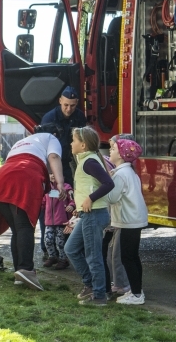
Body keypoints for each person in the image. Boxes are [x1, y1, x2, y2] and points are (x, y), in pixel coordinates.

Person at [0, 124, 66, 291]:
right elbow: (53, 157)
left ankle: (20, 272)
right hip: (24, 177)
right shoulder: (51, 138)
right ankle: (27, 270)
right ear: (54, 133)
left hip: (0, 179)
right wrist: (60, 183)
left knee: (17, 229)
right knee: (25, 227)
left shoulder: (22, 142)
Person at [64, 126, 114, 306]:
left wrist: (90, 199)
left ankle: (99, 296)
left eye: (74, 140)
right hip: (87, 214)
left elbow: (109, 183)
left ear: (83, 145)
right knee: (71, 248)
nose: (71, 143)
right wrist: (80, 206)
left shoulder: (89, 162)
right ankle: (90, 285)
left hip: (94, 215)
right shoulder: (86, 160)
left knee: (93, 257)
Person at [39, 85, 86, 260]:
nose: (68, 109)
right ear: (60, 101)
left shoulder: (79, 117)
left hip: (70, 165)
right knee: (50, 206)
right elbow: (44, 147)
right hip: (52, 165)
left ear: (77, 103)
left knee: (70, 204)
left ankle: (67, 248)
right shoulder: (49, 118)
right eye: (66, 105)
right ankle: (47, 248)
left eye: (72, 106)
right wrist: (49, 172)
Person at [105, 137, 148, 305]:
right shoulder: (129, 172)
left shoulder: (120, 175)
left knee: (127, 258)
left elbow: (111, 198)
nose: (110, 151)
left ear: (122, 155)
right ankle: (137, 290)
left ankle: (136, 295)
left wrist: (102, 186)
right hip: (135, 219)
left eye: (114, 149)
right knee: (133, 257)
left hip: (128, 220)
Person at [41, 173, 74, 270]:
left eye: (55, 173)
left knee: (60, 242)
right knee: (47, 240)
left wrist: (71, 205)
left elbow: (72, 199)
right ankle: (52, 257)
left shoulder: (66, 187)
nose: (52, 175)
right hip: (49, 221)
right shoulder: (47, 188)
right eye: (51, 173)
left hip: (61, 221)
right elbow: (43, 202)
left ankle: (63, 260)